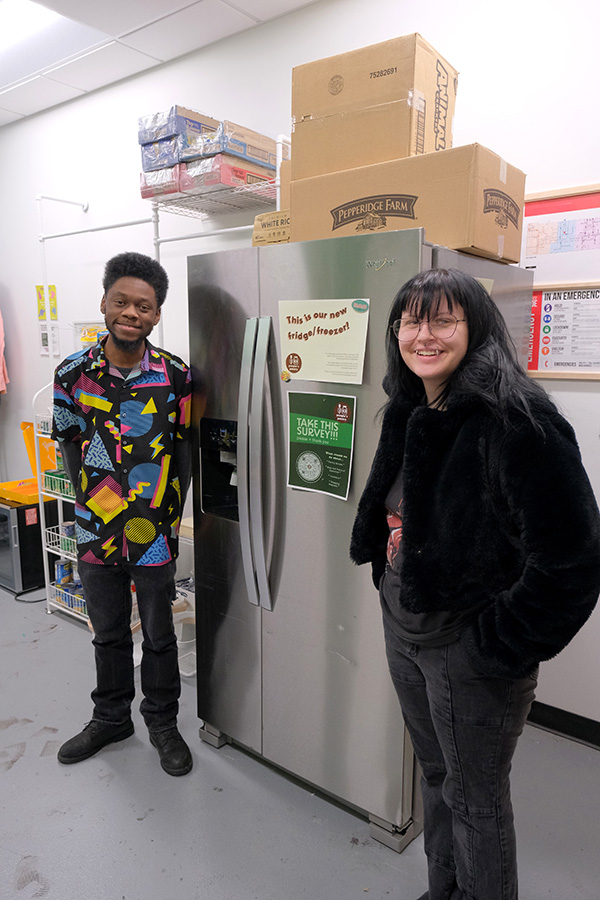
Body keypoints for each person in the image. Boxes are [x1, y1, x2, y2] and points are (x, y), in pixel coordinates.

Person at [350, 268, 600, 900]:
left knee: (476, 801)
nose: (422, 334)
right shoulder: (410, 405)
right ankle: (445, 891)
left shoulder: (521, 423)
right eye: (410, 320)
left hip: (470, 650)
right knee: (437, 777)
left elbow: (573, 562)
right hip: (405, 630)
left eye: (443, 319)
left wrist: (493, 646)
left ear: (477, 329)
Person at [52, 251, 193, 776]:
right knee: (107, 630)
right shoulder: (72, 374)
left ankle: (161, 720)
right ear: (105, 303)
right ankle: (111, 717)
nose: (132, 312)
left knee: (158, 633)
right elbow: (69, 448)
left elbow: (183, 456)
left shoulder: (176, 376)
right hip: (95, 529)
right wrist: (92, 503)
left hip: (153, 530)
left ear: (157, 314)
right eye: (122, 301)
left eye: (145, 305)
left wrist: (171, 522)